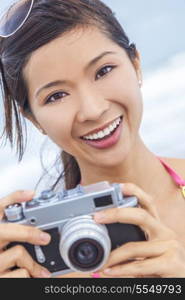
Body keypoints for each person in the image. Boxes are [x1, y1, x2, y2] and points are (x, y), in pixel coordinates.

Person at [0, 0, 185, 278]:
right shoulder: (38, 268)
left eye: (104, 71)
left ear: (135, 64)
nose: (92, 110)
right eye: (56, 96)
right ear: (35, 120)